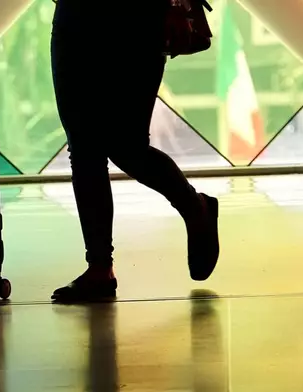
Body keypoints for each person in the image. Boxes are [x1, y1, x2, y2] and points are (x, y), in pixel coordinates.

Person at [50, 0, 219, 302]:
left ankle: (195, 208)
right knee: (86, 145)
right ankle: (100, 267)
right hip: (82, 18)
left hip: (137, 20)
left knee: (127, 146)